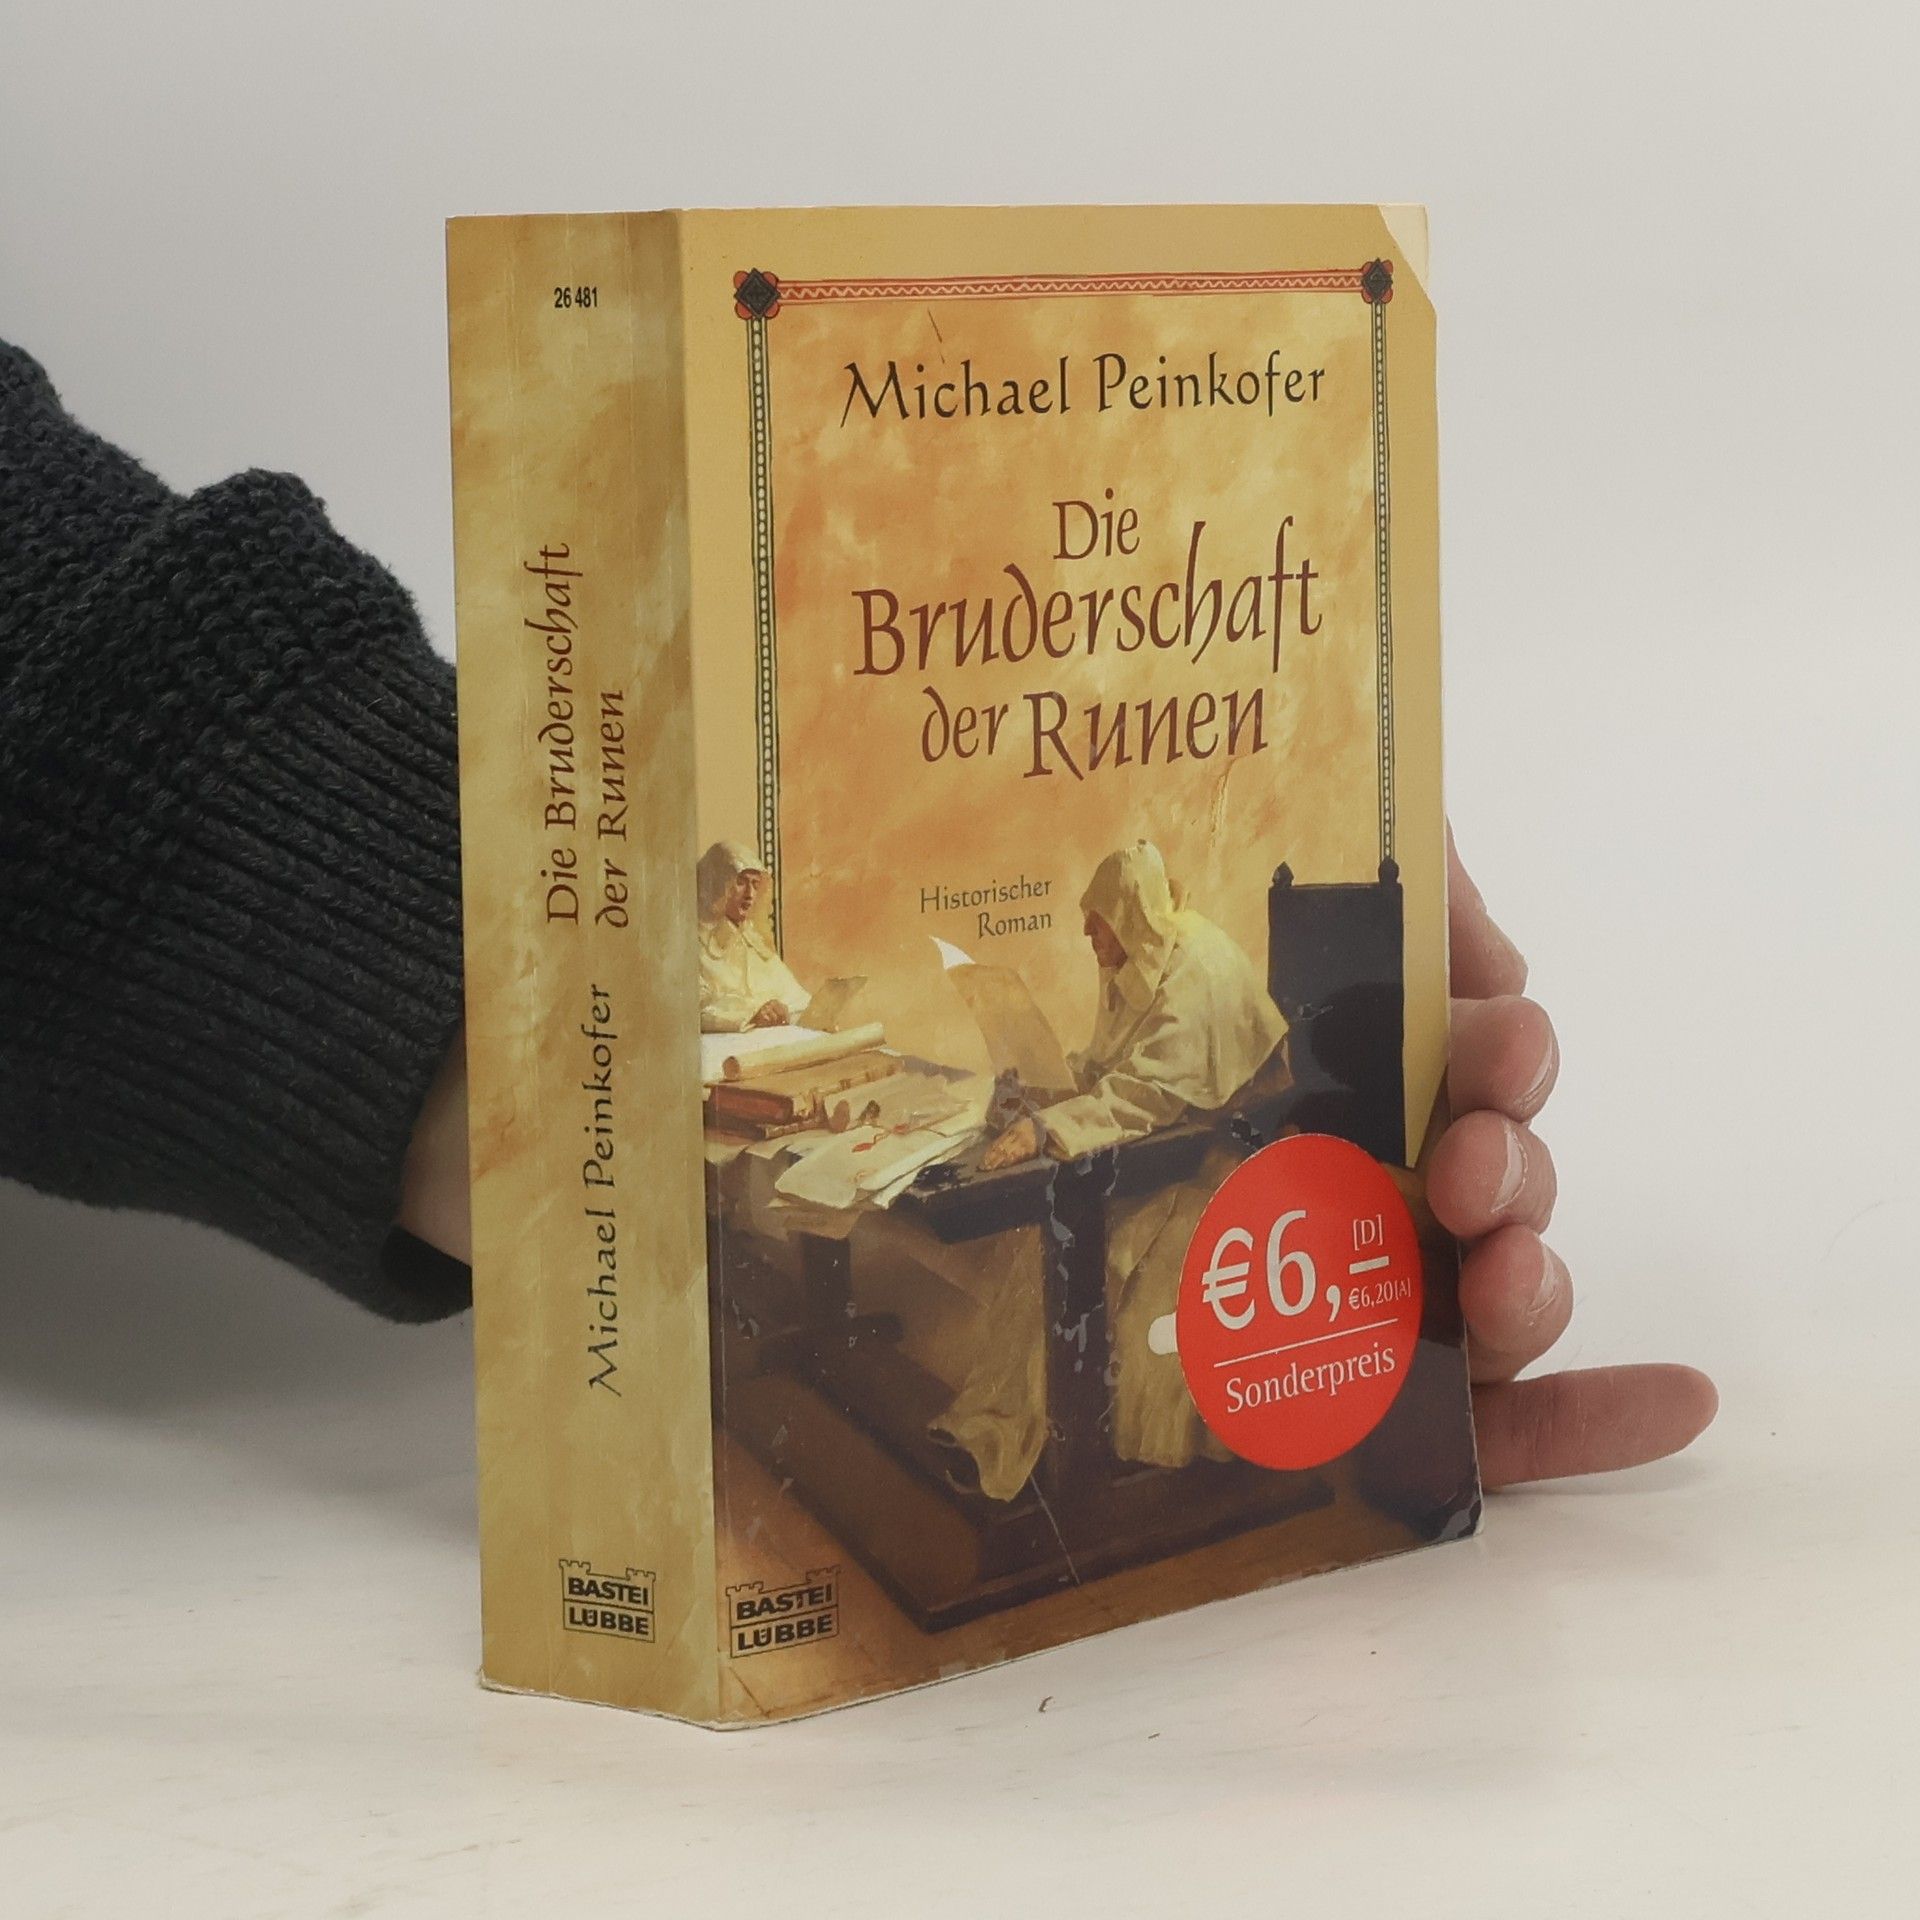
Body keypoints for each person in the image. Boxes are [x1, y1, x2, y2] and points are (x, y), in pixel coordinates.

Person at [0, 339, 1717, 1489]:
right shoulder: (1127, 957)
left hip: (1166, 1183)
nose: (1100, 946)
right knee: (1000, 1255)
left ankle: (1099, 1446)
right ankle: (1020, 1439)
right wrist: (507, 1000)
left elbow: (1186, 1084)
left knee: (1056, 1266)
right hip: (1010, 1140)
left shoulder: (1185, 961)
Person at [977, 840, 1294, 1471]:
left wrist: (1046, 1128)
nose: (1086, 932)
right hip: (1179, 1142)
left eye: (1097, 919)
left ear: (1130, 916)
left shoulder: (1195, 970)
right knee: (1057, 1249)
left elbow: (1148, 1093)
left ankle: (1114, 1458)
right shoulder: (1137, 961)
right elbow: (1111, 1067)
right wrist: (1039, 1087)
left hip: (1237, 1154)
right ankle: (1050, 1438)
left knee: (1135, 1272)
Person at [695, 840, 813, 1032]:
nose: (750, 894)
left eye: (755, 884)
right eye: (741, 882)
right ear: (717, 884)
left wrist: (783, 1011)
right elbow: (693, 1011)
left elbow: (798, 1000)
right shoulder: (694, 947)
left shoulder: (756, 944)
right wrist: (753, 1015)